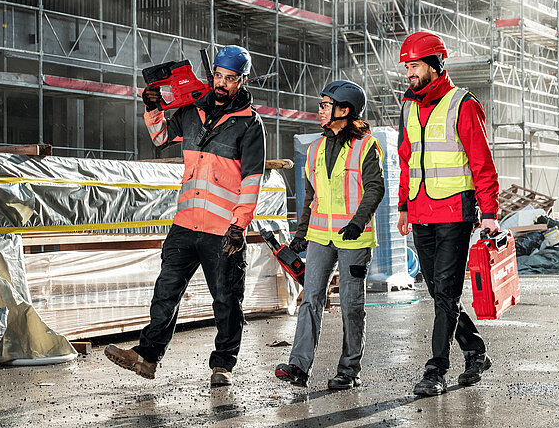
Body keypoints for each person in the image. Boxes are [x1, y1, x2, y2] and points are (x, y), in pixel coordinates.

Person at [104, 45, 266, 387]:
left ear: (242, 80)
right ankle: (147, 357)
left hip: (223, 229)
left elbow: (253, 180)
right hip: (185, 223)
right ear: (212, 75)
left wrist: (239, 226)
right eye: (218, 76)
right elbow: (161, 137)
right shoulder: (193, 111)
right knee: (165, 293)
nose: (221, 83)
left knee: (226, 300)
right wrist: (152, 109)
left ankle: (223, 365)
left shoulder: (249, 124)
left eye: (230, 79)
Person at [396, 31, 500, 396]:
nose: (410, 73)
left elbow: (481, 161)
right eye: (406, 67)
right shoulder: (408, 106)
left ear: (435, 65)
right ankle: (475, 351)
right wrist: (404, 206)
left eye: (415, 66)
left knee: (445, 293)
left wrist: (489, 212)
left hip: (455, 212)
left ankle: (435, 370)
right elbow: (406, 159)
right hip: (420, 210)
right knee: (439, 292)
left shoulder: (462, 103)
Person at [274, 80, 384, 389]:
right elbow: (311, 196)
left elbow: (375, 188)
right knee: (310, 298)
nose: (320, 110)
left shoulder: (366, 146)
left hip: (354, 239)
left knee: (351, 305)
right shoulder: (314, 149)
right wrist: (301, 234)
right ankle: (299, 366)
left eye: (326, 105)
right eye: (321, 105)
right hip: (321, 237)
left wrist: (357, 222)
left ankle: (348, 371)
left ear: (344, 110)